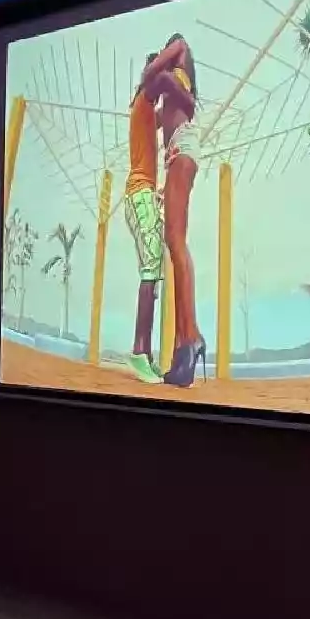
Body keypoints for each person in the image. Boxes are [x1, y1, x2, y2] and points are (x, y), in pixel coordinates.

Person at [140, 34, 206, 387]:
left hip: (182, 148)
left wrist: (153, 73)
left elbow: (154, 72)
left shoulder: (180, 48)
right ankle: (183, 345)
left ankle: (190, 336)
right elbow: (153, 114)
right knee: (174, 242)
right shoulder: (173, 89)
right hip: (177, 152)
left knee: (176, 243)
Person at [121, 61, 167, 381]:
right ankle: (139, 351)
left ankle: (146, 355)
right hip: (140, 193)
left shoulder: (148, 113)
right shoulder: (143, 101)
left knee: (153, 270)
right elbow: (157, 81)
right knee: (150, 269)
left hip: (143, 194)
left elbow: (171, 117)